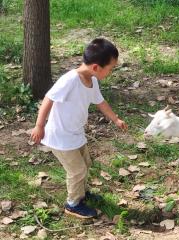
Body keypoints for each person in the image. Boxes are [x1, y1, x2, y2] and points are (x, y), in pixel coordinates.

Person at [31, 38, 128, 219]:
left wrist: (115, 119)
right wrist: (39, 126)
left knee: (86, 164)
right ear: (96, 67)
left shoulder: (92, 80)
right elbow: (48, 99)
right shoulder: (69, 80)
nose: (111, 72)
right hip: (60, 137)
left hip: (76, 134)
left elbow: (100, 101)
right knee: (77, 171)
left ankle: (81, 194)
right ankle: (73, 204)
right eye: (111, 68)